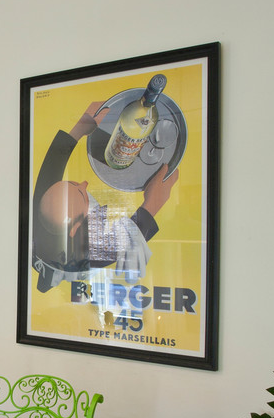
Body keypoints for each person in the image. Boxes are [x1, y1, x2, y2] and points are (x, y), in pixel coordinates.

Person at [32, 103, 178, 293]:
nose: (84, 184)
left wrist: (79, 129)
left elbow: (50, 172)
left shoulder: (43, 208)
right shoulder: (85, 253)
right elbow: (126, 238)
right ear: (77, 227)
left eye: (73, 183)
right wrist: (152, 203)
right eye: (80, 193)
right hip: (58, 261)